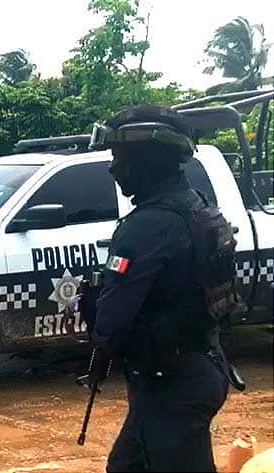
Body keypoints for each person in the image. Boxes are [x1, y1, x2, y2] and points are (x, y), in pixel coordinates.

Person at [89, 105, 240, 472]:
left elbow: (111, 323)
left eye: (118, 157)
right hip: (197, 367)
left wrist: (96, 317)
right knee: (125, 466)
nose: (113, 168)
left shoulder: (147, 227)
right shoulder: (198, 207)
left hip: (173, 385)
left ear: (146, 162)